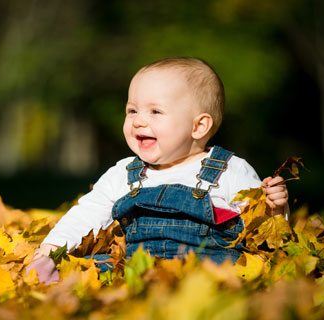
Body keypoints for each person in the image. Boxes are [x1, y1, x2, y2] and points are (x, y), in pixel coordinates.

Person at [29, 57, 288, 280]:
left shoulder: (229, 170)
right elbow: (87, 213)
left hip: (208, 272)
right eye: (132, 110)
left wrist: (275, 210)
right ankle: (50, 274)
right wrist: (53, 246)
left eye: (155, 111)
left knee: (247, 269)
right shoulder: (125, 173)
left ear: (198, 127)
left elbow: (259, 232)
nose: (139, 121)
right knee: (91, 268)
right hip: (136, 267)